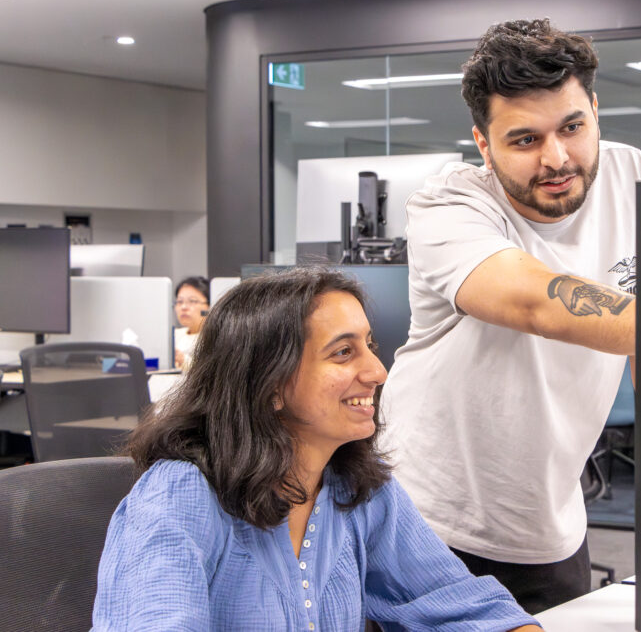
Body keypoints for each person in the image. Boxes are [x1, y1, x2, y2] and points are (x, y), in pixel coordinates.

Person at [379, 18, 641, 614]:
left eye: (573, 127)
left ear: (596, 113)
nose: (557, 158)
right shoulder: (447, 205)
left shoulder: (633, 177)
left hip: (550, 525)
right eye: (524, 140)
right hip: (427, 521)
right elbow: (533, 300)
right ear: (484, 144)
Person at [92, 266, 541, 632]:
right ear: (269, 384)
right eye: (344, 353)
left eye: (369, 345)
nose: (378, 372)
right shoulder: (180, 496)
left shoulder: (356, 486)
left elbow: (454, 602)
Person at [172, 275, 209, 370]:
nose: (184, 307)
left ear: (209, 306)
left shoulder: (214, 339)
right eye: (179, 302)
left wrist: (183, 360)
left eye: (192, 301)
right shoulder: (174, 335)